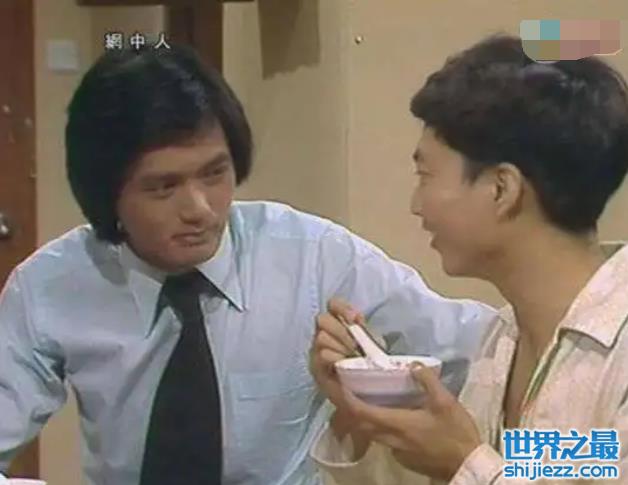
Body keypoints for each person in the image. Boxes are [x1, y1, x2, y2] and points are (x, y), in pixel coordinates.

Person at [0, 45, 495, 485]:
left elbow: (482, 349)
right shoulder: (52, 286)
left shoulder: (313, 256)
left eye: (215, 174)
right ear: (107, 194)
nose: (200, 208)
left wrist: (520, 467)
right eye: (163, 187)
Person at [310, 34, 628, 484]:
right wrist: (364, 410)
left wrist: (465, 462)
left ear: (501, 189)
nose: (416, 205)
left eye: (425, 175)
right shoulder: (503, 336)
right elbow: (553, 469)